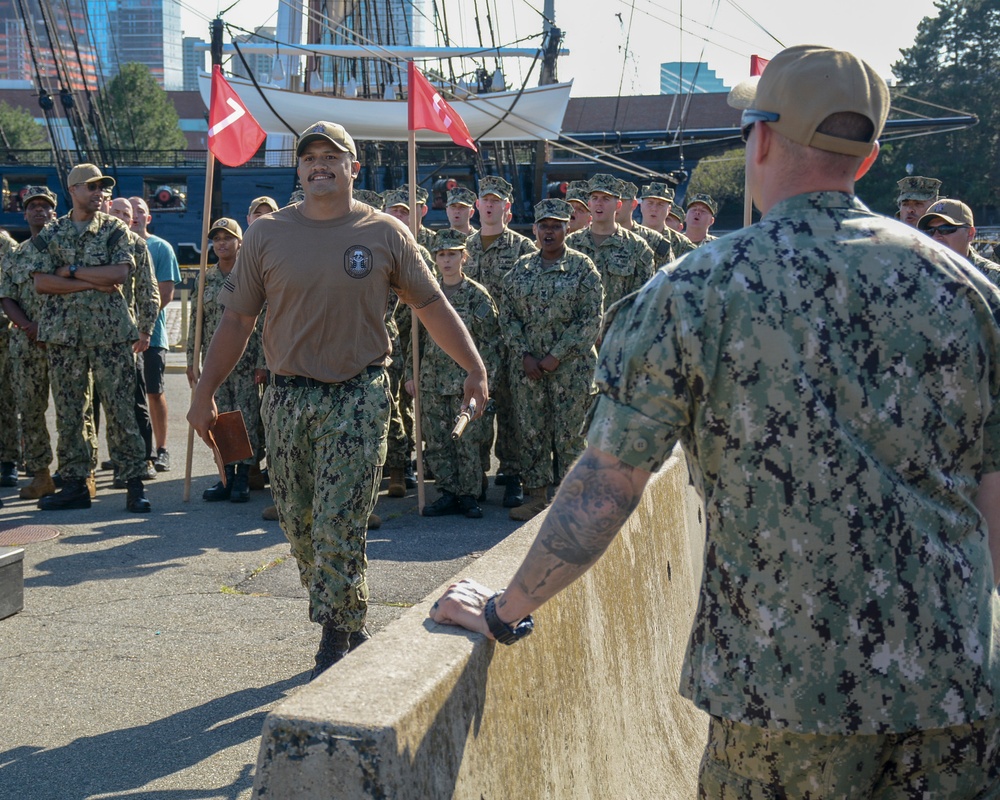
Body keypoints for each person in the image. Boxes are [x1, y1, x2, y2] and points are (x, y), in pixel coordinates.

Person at [431, 45, 1000, 795]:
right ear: (865, 159)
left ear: (760, 138)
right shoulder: (965, 291)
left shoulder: (697, 289)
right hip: (956, 689)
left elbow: (606, 486)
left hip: (785, 697)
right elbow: (989, 492)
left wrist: (507, 610)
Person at [187, 121, 488, 680]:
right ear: (298, 170)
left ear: (353, 167)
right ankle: (349, 615)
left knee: (339, 522)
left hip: (358, 396)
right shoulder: (265, 236)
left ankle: (334, 638)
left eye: (333, 156)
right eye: (310, 158)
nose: (320, 164)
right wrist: (203, 392)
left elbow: (431, 306)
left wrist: (474, 366)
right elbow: (236, 319)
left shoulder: (387, 234)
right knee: (300, 525)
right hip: (285, 399)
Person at [32, 164, 158, 512]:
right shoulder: (52, 232)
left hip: (111, 335)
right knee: (71, 413)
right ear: (72, 190)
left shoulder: (115, 228)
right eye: (92, 186)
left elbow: (119, 273)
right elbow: (41, 282)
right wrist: (94, 280)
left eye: (103, 187)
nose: (99, 192)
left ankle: (133, 484)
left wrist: (70, 273)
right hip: (64, 337)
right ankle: (75, 484)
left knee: (121, 411)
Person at [498, 199, 603, 521]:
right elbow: (507, 316)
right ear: (534, 229)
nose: (549, 231)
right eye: (544, 225)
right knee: (532, 433)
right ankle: (537, 497)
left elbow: (590, 319)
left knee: (572, 435)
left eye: (556, 225)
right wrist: (526, 355)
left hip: (572, 369)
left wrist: (557, 356)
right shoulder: (521, 269)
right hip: (529, 371)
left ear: (567, 228)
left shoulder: (583, 268)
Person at [407, 229, 499, 519]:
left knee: (469, 442)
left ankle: (469, 495)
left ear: (464, 257)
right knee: (437, 441)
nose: (447, 260)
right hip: (433, 380)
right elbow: (415, 340)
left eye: (453, 254)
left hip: (464, 383)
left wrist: (486, 381)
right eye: (442, 255)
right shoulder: (426, 295)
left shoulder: (476, 296)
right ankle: (447, 492)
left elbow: (491, 343)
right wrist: (411, 373)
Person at [465, 175, 537, 508]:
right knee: (474, 410)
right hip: (473, 345)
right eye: (486, 200)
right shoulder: (463, 248)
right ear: (477, 206)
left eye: (497, 201)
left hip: (509, 346)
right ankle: (473, 477)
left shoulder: (523, 248)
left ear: (506, 207)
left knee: (512, 413)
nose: (490, 206)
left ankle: (512, 475)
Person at [187, 218, 265, 503]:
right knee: (219, 417)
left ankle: (244, 475)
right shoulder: (205, 277)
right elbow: (197, 321)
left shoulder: (250, 274)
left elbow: (262, 321)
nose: (221, 243)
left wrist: (262, 361)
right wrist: (191, 361)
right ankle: (226, 475)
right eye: (216, 238)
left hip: (245, 362)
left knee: (244, 417)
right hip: (215, 364)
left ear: (240, 242)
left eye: (227, 238)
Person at [0, 186, 57, 500]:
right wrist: (28, 326)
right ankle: (40, 474)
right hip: (26, 343)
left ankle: (77, 472)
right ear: (24, 213)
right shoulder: (16, 254)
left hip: (63, 343)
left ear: (54, 212)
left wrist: (49, 327)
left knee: (72, 411)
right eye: (33, 206)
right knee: (30, 411)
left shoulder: (66, 249)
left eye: (44, 206)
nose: (39, 211)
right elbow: (6, 296)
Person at [129, 195, 181, 473]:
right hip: (119, 337)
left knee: (153, 392)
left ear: (149, 218)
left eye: (141, 211)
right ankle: (133, 449)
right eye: (129, 210)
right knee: (126, 397)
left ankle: (161, 449)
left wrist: (140, 324)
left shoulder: (160, 247)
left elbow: (165, 294)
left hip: (152, 336)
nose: (135, 215)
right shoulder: (113, 246)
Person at [566, 174, 655, 308]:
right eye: (595, 198)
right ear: (589, 204)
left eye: (606, 199)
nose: (599, 203)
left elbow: (645, 299)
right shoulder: (570, 244)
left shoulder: (637, 247)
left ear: (618, 205)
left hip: (618, 326)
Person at [915, 197, 1000, 281]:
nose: (936, 236)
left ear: (970, 233)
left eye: (946, 229)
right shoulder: (914, 275)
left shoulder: (994, 277)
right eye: (930, 231)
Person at [615, 180, 677, 268]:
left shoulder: (656, 241)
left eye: (660, 204)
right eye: (650, 203)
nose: (654, 209)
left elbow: (670, 276)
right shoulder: (595, 236)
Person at [0, 229, 20, 491]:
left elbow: (17, 283)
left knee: (6, 400)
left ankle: (9, 460)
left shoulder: (5, 243)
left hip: (3, 335)